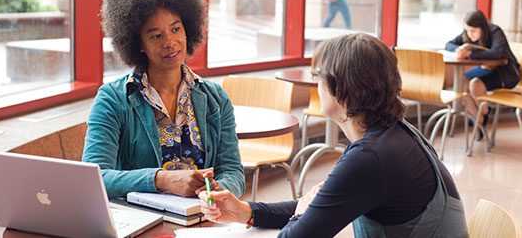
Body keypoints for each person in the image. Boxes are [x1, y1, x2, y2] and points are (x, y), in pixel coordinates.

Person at [198, 33, 468, 237]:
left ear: (342, 89)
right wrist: (248, 212)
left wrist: (301, 212)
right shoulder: (391, 134)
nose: (317, 86)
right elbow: (323, 204)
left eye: (319, 78)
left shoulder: (371, 158)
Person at [82, 0, 245, 199]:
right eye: (156, 35)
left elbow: (232, 170)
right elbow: (95, 177)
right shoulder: (113, 99)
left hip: (202, 217)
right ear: (138, 44)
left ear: (188, 29)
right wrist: (161, 179)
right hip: (141, 220)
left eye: (176, 29)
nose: (170, 42)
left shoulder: (215, 98)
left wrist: (219, 192)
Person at [445, 10, 520, 138]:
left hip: (507, 73)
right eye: (467, 30)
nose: (470, 34)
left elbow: (497, 53)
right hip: (487, 70)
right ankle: (480, 120)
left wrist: (469, 54)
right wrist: (459, 49)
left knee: (474, 84)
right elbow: (448, 45)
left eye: (473, 31)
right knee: (463, 85)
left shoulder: (495, 31)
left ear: (482, 27)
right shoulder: (468, 33)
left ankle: (484, 111)